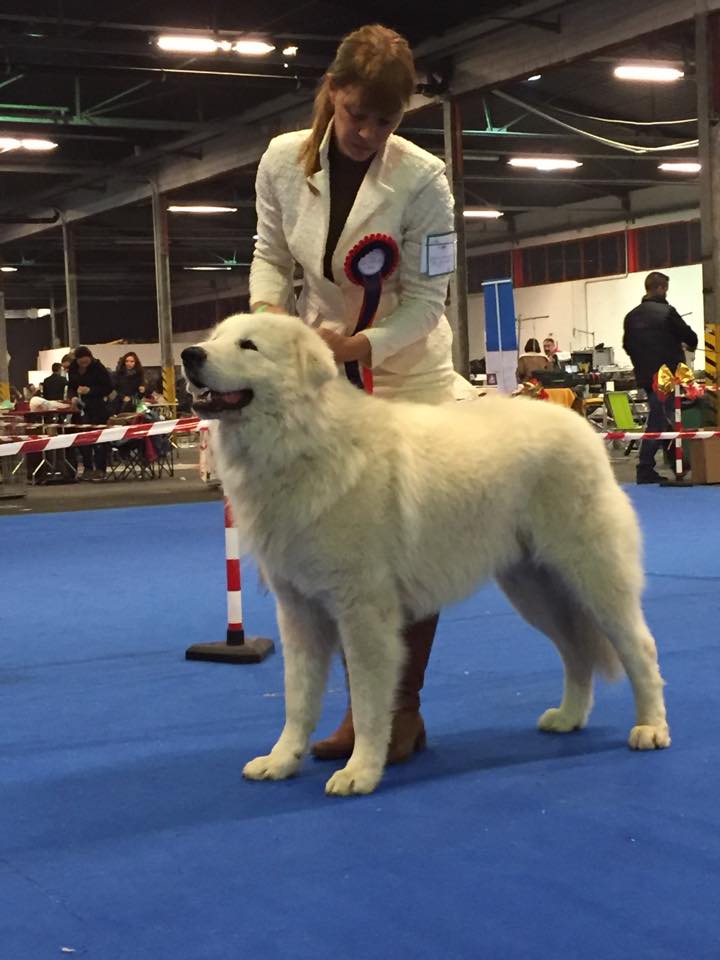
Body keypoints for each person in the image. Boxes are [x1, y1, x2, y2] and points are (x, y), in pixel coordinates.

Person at [249, 23, 472, 765]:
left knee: (409, 547)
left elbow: (428, 301)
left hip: (407, 371)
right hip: (319, 375)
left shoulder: (425, 180)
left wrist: (360, 345)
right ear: (332, 92)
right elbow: (268, 255)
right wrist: (271, 317)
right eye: (357, 115)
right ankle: (363, 708)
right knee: (340, 550)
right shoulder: (281, 160)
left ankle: (398, 712)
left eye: (387, 120)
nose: (370, 133)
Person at [623, 271, 698, 484]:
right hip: (667, 376)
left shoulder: (631, 316)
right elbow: (690, 337)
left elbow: (627, 346)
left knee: (666, 418)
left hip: (646, 376)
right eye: (666, 289)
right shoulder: (667, 312)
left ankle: (678, 465)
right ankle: (645, 468)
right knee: (659, 420)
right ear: (661, 288)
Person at [67, 346, 113, 479]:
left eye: (86, 362)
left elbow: (108, 387)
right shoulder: (73, 368)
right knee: (83, 439)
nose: (83, 364)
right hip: (80, 410)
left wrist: (90, 390)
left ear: (90, 357)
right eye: (81, 362)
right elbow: (71, 386)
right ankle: (87, 468)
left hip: (98, 408)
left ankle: (100, 468)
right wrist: (72, 396)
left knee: (99, 439)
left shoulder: (99, 367)